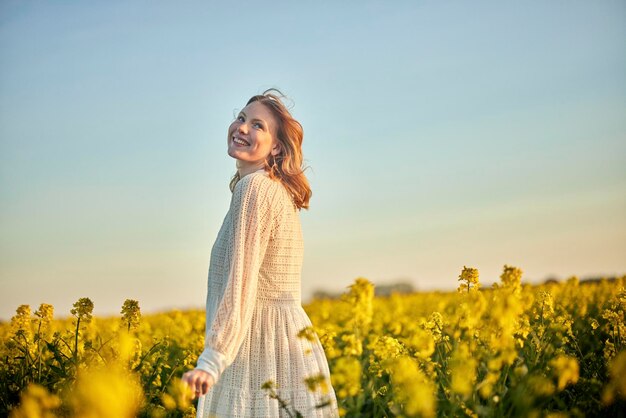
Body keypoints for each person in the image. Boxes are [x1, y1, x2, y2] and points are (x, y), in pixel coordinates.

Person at [181, 88, 340, 417]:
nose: (242, 127)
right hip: (281, 344)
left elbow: (241, 284)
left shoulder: (255, 189)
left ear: (277, 146)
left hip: (260, 349)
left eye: (257, 125)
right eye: (241, 118)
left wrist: (212, 360)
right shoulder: (270, 188)